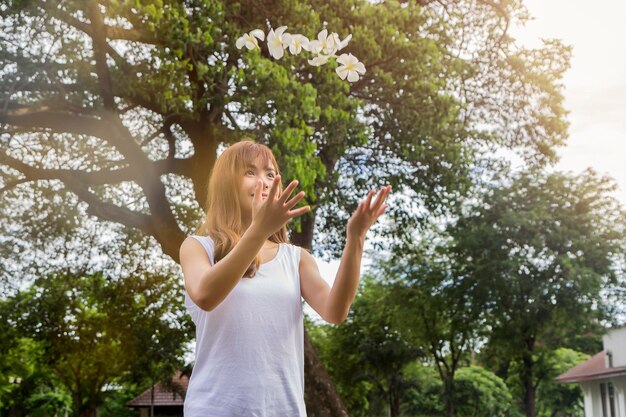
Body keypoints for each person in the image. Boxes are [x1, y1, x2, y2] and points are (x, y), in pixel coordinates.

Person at [179, 140, 391, 416]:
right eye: (250, 172)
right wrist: (258, 230)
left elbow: (335, 311)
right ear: (225, 185)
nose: (264, 182)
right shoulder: (198, 247)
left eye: (270, 173)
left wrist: (356, 238)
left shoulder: (295, 258)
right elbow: (206, 295)